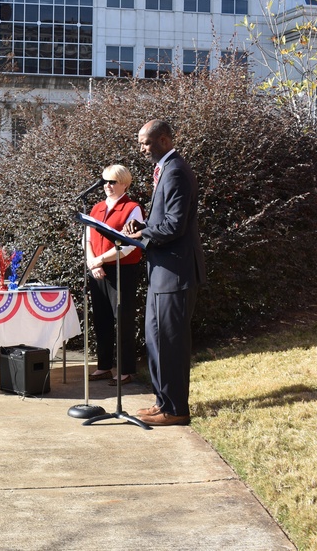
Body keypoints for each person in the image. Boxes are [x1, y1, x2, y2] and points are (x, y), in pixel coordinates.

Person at [124, 119, 206, 427]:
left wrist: (141, 235)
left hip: (177, 273)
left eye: (146, 142)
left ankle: (176, 409)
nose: (142, 148)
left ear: (164, 140)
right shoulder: (165, 170)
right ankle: (163, 402)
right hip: (162, 272)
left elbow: (175, 225)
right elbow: (166, 221)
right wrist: (143, 227)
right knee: (156, 339)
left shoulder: (175, 171)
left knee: (171, 343)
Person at [85, 164, 144, 386]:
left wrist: (101, 259)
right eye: (104, 182)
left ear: (125, 184)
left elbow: (129, 244)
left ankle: (126, 370)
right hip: (97, 269)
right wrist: (93, 263)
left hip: (122, 270)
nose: (107, 186)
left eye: (113, 182)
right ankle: (104, 366)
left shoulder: (132, 208)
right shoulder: (96, 207)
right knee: (101, 318)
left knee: (123, 318)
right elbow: (87, 238)